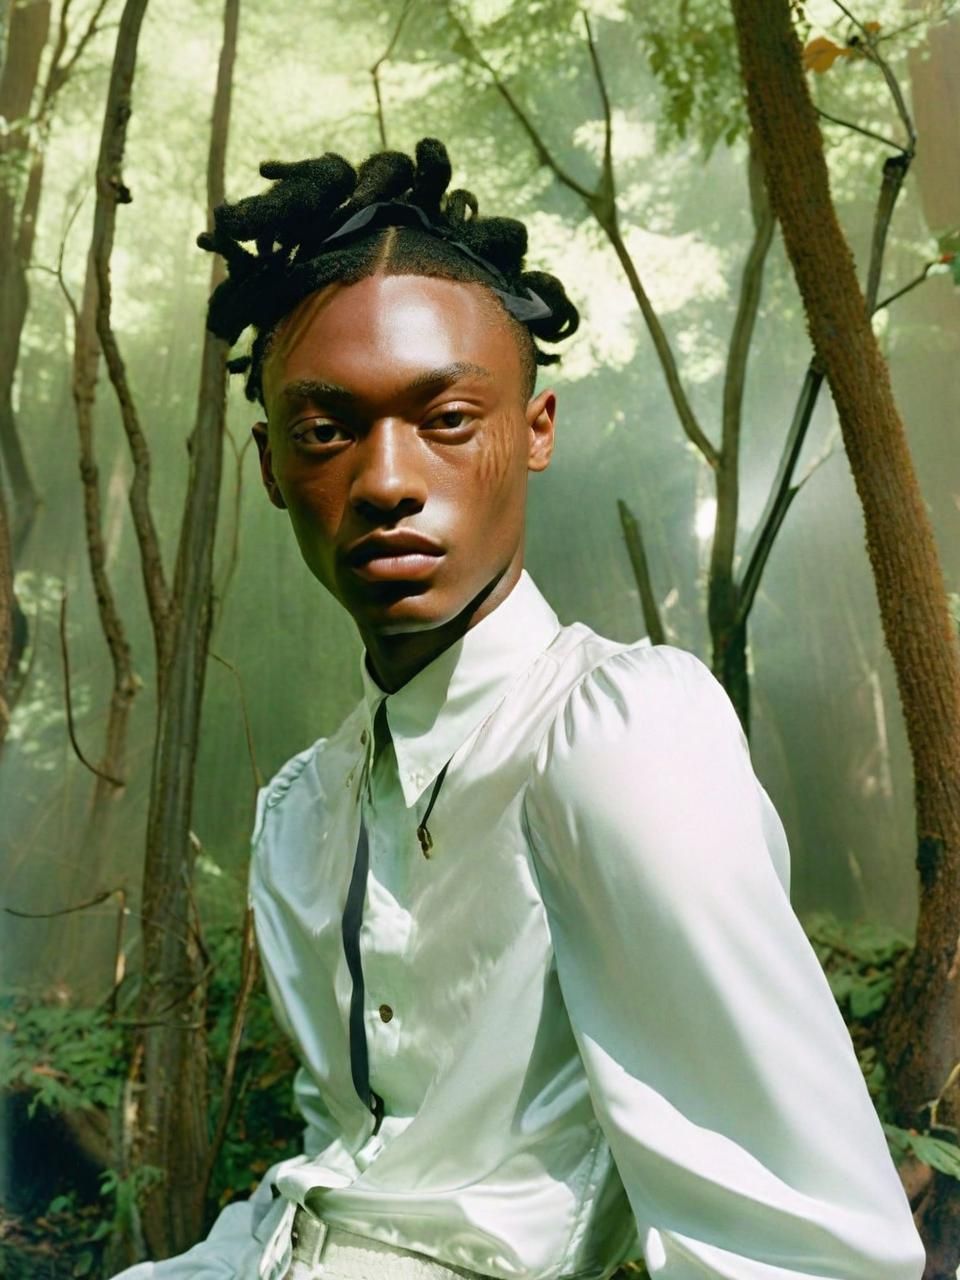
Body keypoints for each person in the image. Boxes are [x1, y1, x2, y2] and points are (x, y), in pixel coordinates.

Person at [113, 137, 926, 1280]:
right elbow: (343, 1162)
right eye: (326, 429)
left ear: (533, 430)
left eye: (446, 416)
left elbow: (799, 1249)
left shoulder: (612, 743)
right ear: (268, 461)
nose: (387, 479)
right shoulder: (304, 805)